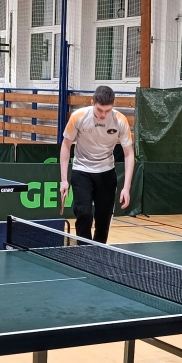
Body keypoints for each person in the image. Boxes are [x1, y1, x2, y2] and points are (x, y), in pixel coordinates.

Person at [57, 85, 134, 244]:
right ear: (92, 103)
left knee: (103, 220)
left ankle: (98, 251)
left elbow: (129, 153)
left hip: (106, 172)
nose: (103, 115)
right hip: (82, 170)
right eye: (99, 110)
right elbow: (66, 145)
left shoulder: (120, 120)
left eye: (107, 111)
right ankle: (84, 251)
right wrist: (64, 180)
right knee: (84, 214)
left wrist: (126, 188)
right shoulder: (78, 117)